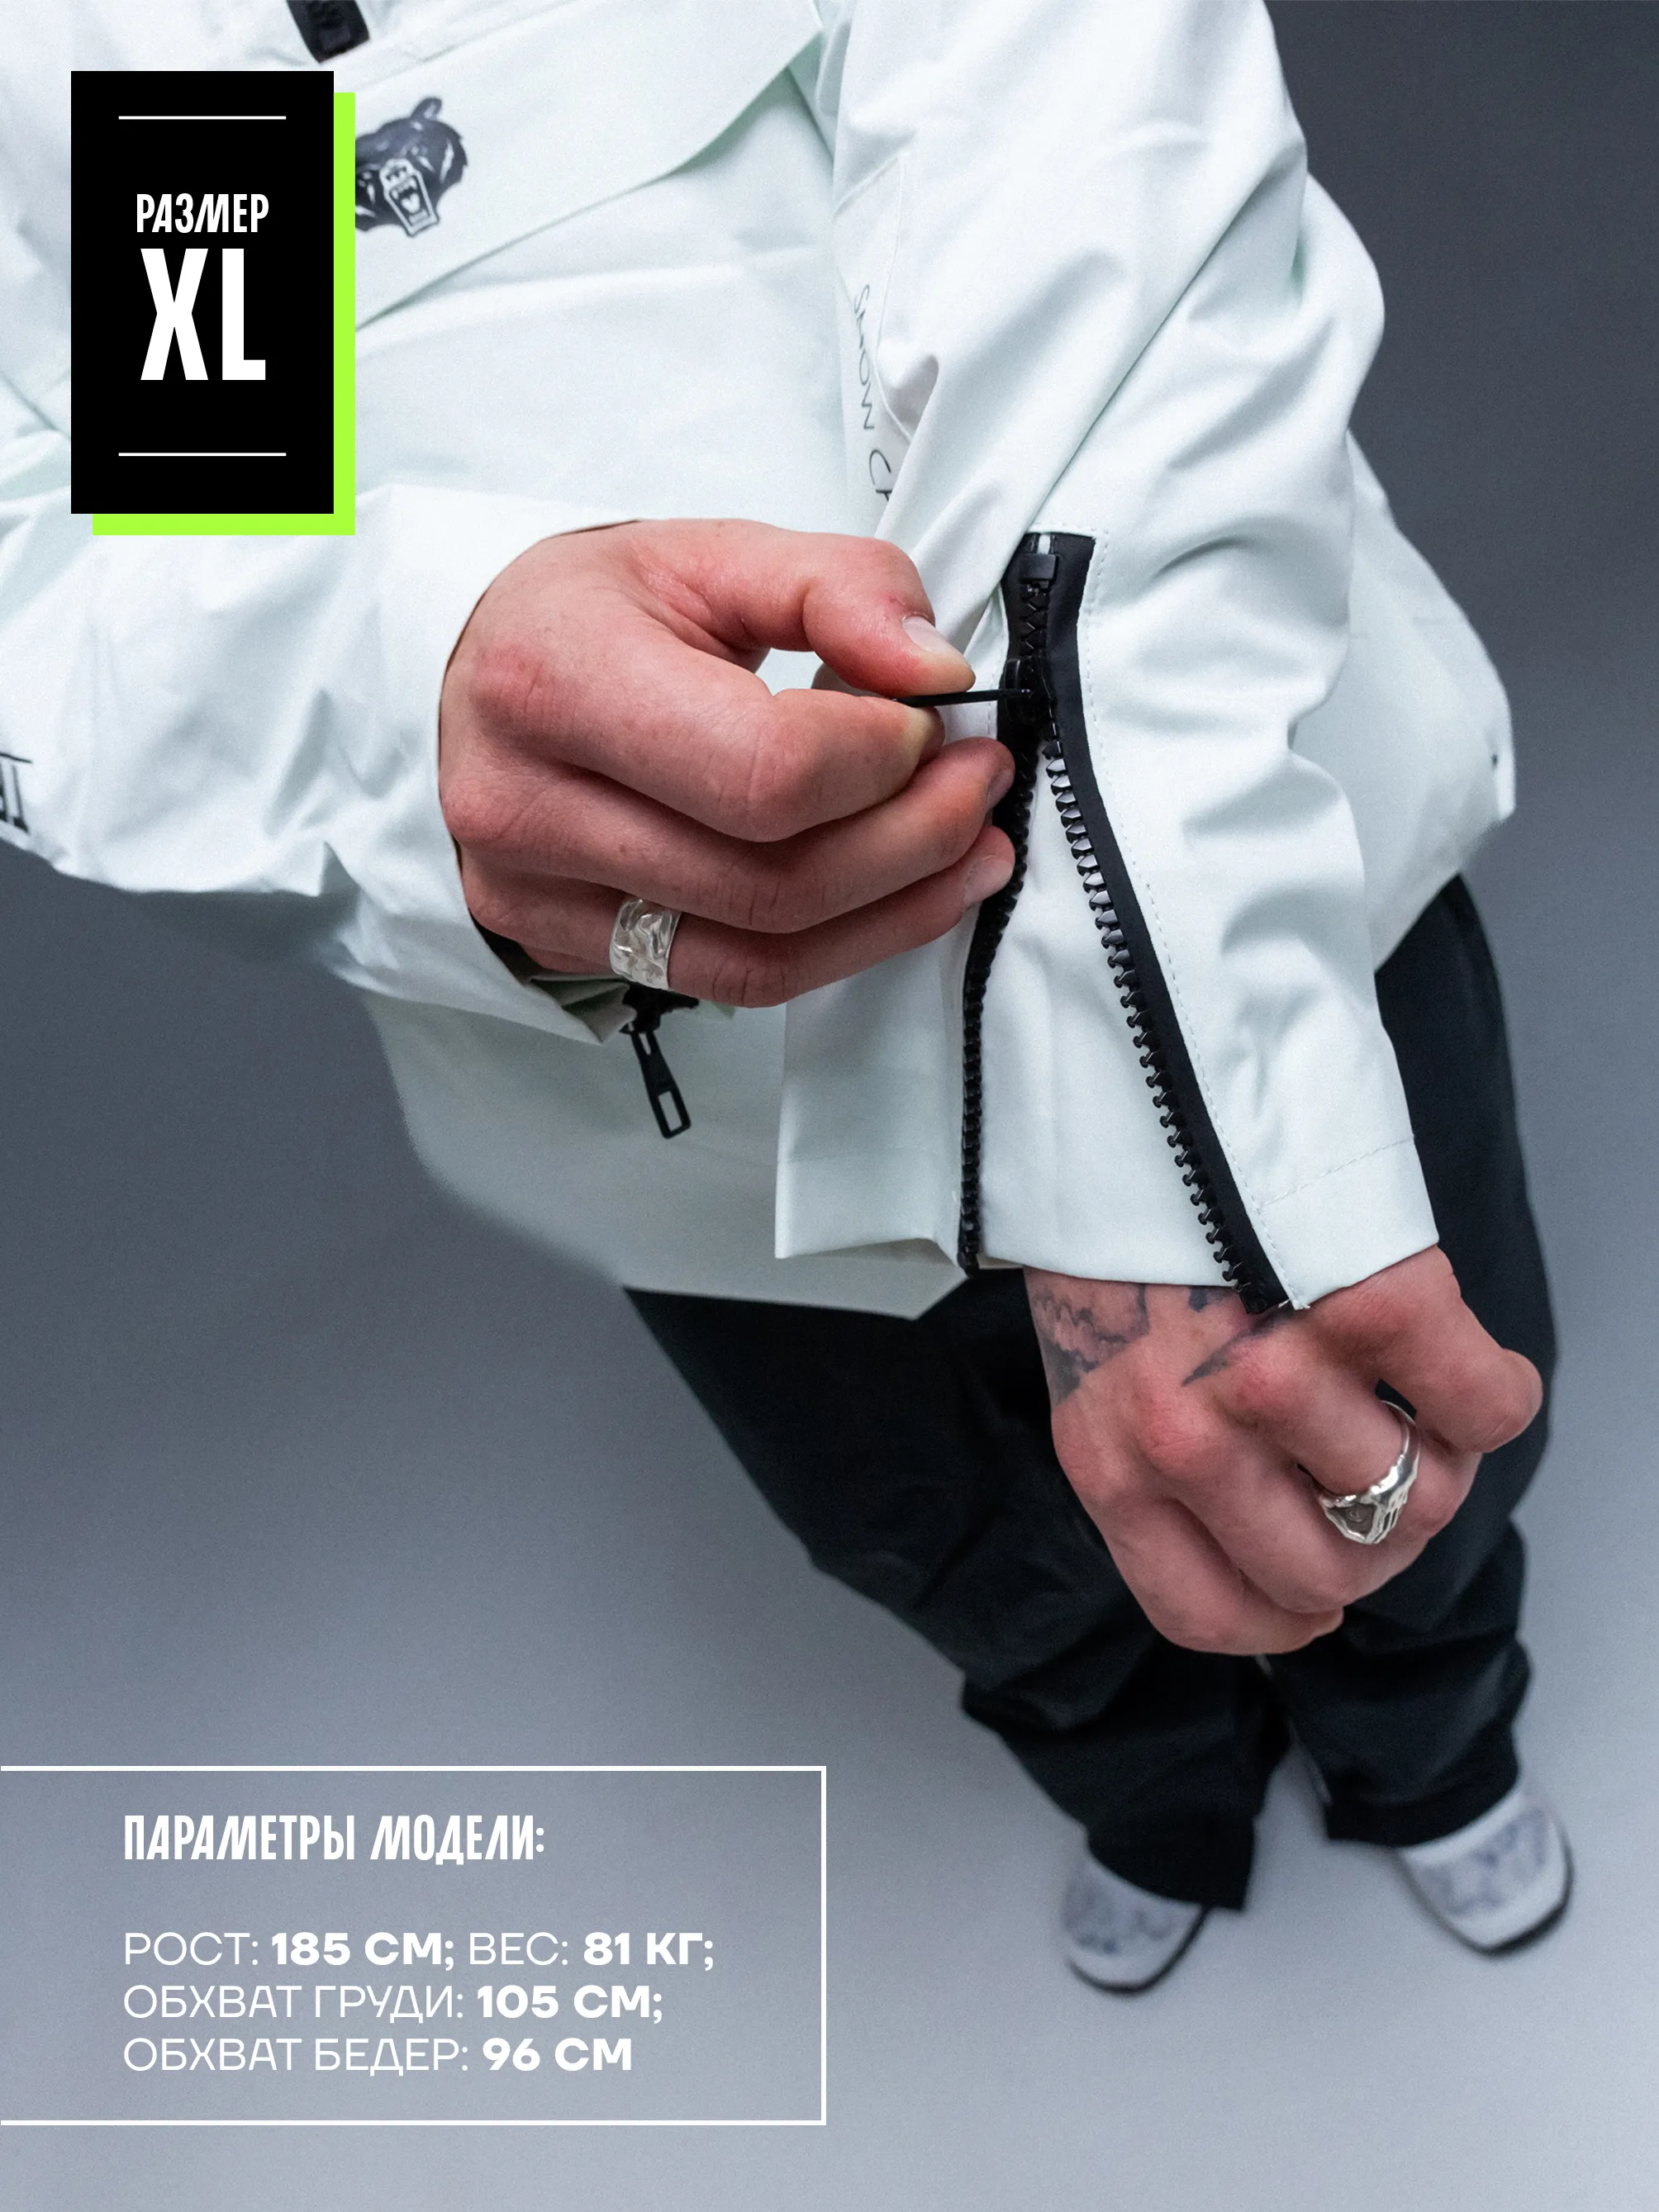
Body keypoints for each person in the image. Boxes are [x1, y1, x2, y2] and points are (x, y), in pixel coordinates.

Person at [2, 0, 1563, 1990]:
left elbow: (1093, 219)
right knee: (943, 1538)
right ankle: (1151, 1785)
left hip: (1255, 904)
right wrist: (408, 695)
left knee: (1401, 1435)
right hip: (672, 1097)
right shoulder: (114, 46)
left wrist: (1135, 1092)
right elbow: (123, 531)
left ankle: (1434, 1746)